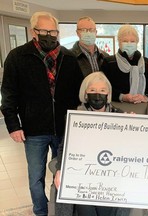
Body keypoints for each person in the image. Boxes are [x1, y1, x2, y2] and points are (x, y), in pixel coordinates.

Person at [0, 11, 83, 216]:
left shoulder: (69, 58)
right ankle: (40, 211)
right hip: (33, 129)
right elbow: (8, 93)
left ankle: (61, 210)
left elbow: (78, 94)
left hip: (64, 128)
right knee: (35, 176)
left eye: (53, 31)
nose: (49, 35)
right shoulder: (17, 57)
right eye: (44, 31)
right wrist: (13, 124)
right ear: (33, 32)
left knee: (63, 174)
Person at [54, 72, 121, 216]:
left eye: (102, 91)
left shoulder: (120, 116)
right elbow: (63, 147)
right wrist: (60, 169)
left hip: (112, 174)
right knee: (85, 206)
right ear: (85, 94)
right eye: (92, 90)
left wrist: (132, 124)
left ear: (108, 94)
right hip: (83, 174)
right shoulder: (75, 117)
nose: (97, 95)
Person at [102, 24, 148, 104]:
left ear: (137, 42)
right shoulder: (109, 63)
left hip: (142, 108)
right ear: (119, 42)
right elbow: (103, 87)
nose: (129, 44)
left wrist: (146, 97)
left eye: (132, 41)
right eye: (125, 41)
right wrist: (122, 97)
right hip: (116, 108)